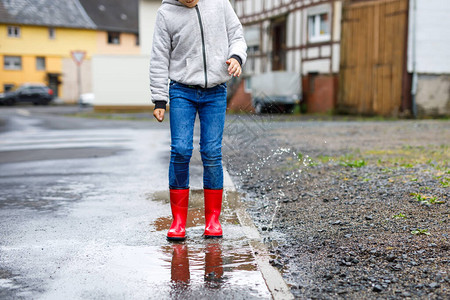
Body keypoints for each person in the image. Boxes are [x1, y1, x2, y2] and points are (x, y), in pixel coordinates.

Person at [150, 0, 247, 241]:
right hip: (181, 90)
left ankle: (213, 220)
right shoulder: (166, 13)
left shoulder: (219, 3)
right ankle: (179, 221)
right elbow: (159, 57)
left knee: (211, 152)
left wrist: (236, 56)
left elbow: (237, 34)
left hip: (215, 91)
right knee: (181, 150)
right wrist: (159, 99)